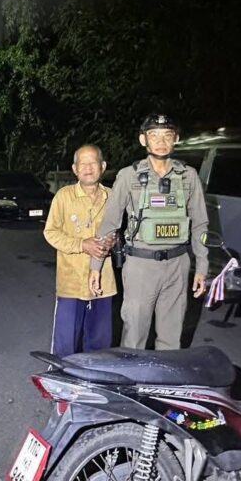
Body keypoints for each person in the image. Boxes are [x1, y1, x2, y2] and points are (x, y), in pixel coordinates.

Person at [89, 114, 208, 350]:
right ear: (143, 140)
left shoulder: (188, 176)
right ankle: (132, 373)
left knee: (171, 337)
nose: (161, 142)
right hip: (140, 266)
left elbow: (200, 224)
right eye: (154, 135)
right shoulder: (129, 175)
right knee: (134, 334)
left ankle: (165, 374)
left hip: (177, 265)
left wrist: (202, 267)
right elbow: (110, 223)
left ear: (176, 139)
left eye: (167, 135)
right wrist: (96, 266)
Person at [43, 144, 117, 356]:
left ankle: (95, 376)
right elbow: (50, 232)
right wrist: (82, 244)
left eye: (93, 162)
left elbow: (121, 232)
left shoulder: (112, 197)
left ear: (103, 166)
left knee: (100, 344)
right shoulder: (63, 197)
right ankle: (62, 375)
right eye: (82, 164)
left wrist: (113, 241)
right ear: (75, 169)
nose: (88, 168)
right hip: (71, 282)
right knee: (65, 344)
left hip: (103, 283)